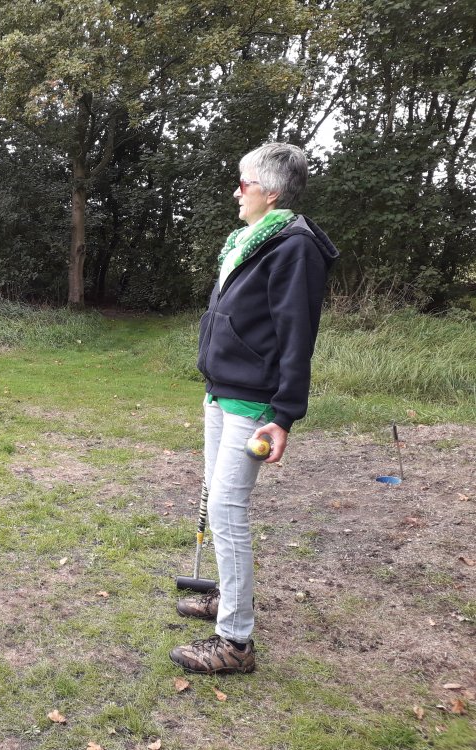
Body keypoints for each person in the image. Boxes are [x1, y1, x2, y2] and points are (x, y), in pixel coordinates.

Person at [170, 142, 339, 675]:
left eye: (243, 184)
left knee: (226, 510)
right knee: (217, 500)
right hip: (222, 390)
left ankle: (235, 643)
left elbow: (296, 333)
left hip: (254, 401)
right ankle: (228, 597)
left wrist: (283, 413)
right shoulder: (248, 240)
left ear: (271, 192)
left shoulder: (294, 247)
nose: (235, 192)